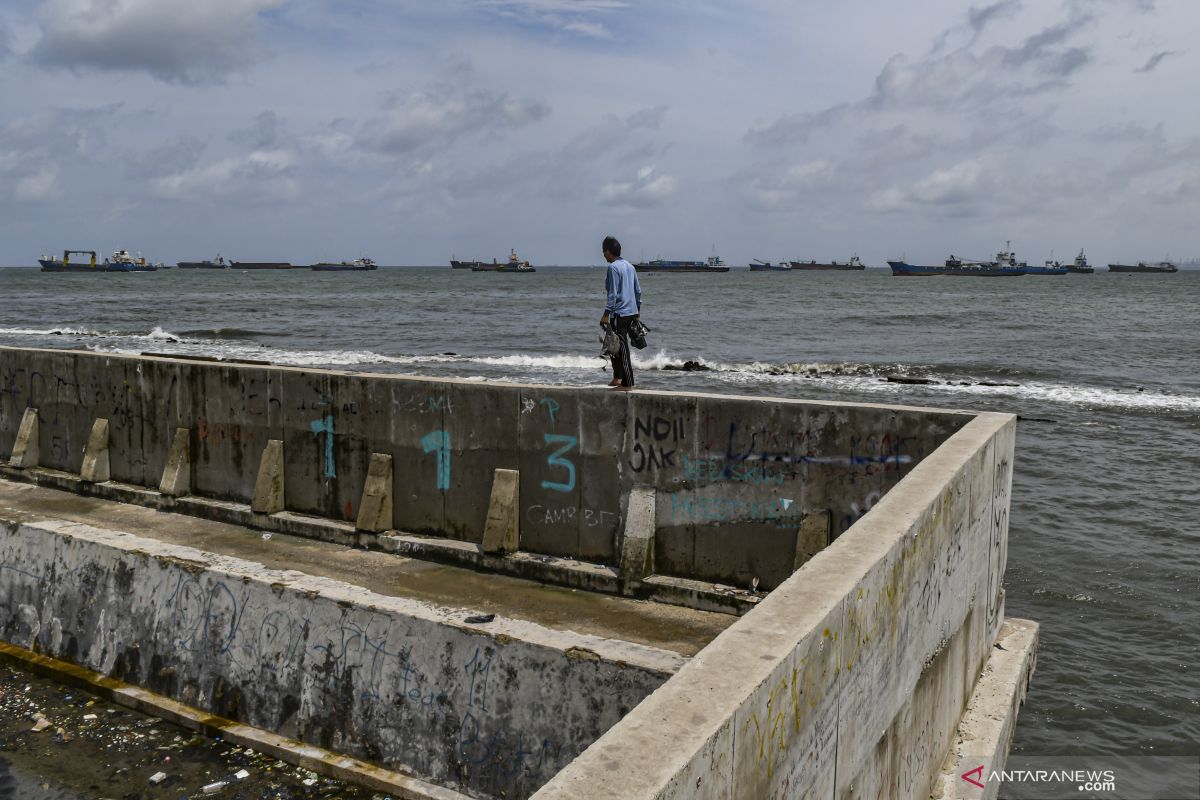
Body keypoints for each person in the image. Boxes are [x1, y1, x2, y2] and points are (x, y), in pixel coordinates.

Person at [599, 235, 642, 391]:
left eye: (604, 251)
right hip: (631, 312)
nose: (603, 254)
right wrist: (638, 311)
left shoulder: (613, 267)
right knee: (613, 345)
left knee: (622, 349)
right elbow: (638, 291)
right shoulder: (630, 266)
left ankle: (627, 383)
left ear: (609, 251)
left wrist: (606, 313)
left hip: (619, 314)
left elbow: (613, 294)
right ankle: (617, 377)